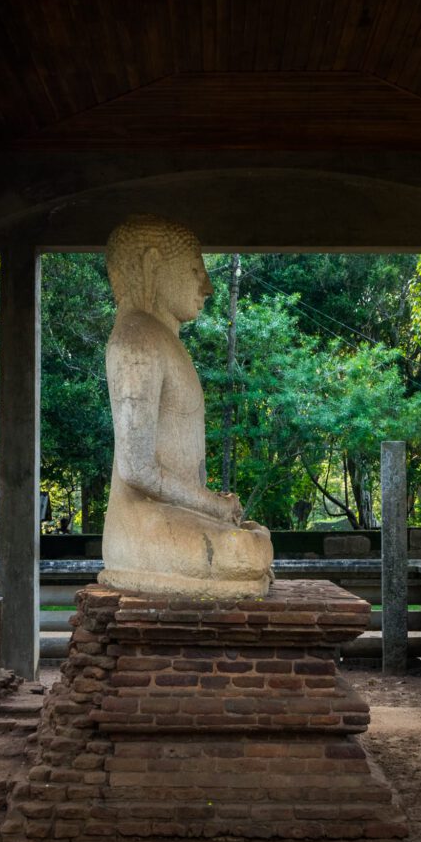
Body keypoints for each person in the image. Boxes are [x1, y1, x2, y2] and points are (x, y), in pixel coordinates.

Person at [97, 214, 273, 598]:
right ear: (152, 265)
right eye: (196, 269)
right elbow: (136, 468)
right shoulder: (135, 339)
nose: (207, 285)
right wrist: (212, 505)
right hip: (140, 526)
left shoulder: (163, 340)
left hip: (171, 516)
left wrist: (212, 509)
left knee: (254, 541)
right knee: (247, 552)